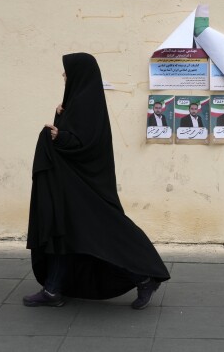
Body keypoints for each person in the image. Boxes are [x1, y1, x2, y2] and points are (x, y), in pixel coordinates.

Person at [25, 52, 170, 310]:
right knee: (69, 234)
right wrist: (60, 118)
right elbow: (71, 137)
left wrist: (61, 135)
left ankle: (144, 275)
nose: (64, 75)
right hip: (73, 184)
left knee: (96, 236)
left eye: (67, 71)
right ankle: (52, 290)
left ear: (80, 73)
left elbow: (86, 144)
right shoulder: (77, 102)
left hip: (86, 186)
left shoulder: (86, 103)